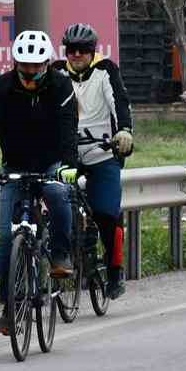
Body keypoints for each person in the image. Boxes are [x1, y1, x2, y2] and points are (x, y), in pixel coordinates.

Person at [0, 30, 80, 335]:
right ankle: (10, 304)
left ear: (47, 63)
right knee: (7, 239)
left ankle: (59, 253)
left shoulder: (61, 85)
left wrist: (68, 165)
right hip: (15, 165)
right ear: (16, 63)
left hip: (52, 161)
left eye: (36, 66)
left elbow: (69, 125)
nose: (30, 72)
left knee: (58, 196)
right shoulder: (3, 87)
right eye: (24, 66)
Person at [51, 22, 135, 300]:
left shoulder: (106, 70)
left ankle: (114, 271)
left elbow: (120, 102)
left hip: (102, 152)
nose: (76, 55)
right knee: (53, 205)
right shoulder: (56, 72)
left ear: (92, 51)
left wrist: (124, 131)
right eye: (71, 50)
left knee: (106, 214)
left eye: (83, 50)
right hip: (67, 153)